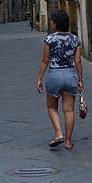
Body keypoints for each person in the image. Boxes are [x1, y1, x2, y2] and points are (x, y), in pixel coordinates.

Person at [36, 10, 83, 150]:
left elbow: (45, 60)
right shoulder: (75, 39)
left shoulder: (49, 39)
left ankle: (58, 133)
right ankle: (68, 142)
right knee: (68, 110)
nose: (50, 23)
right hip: (70, 75)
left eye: (51, 21)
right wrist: (80, 79)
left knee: (51, 107)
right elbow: (78, 61)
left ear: (56, 23)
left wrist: (39, 78)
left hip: (55, 75)